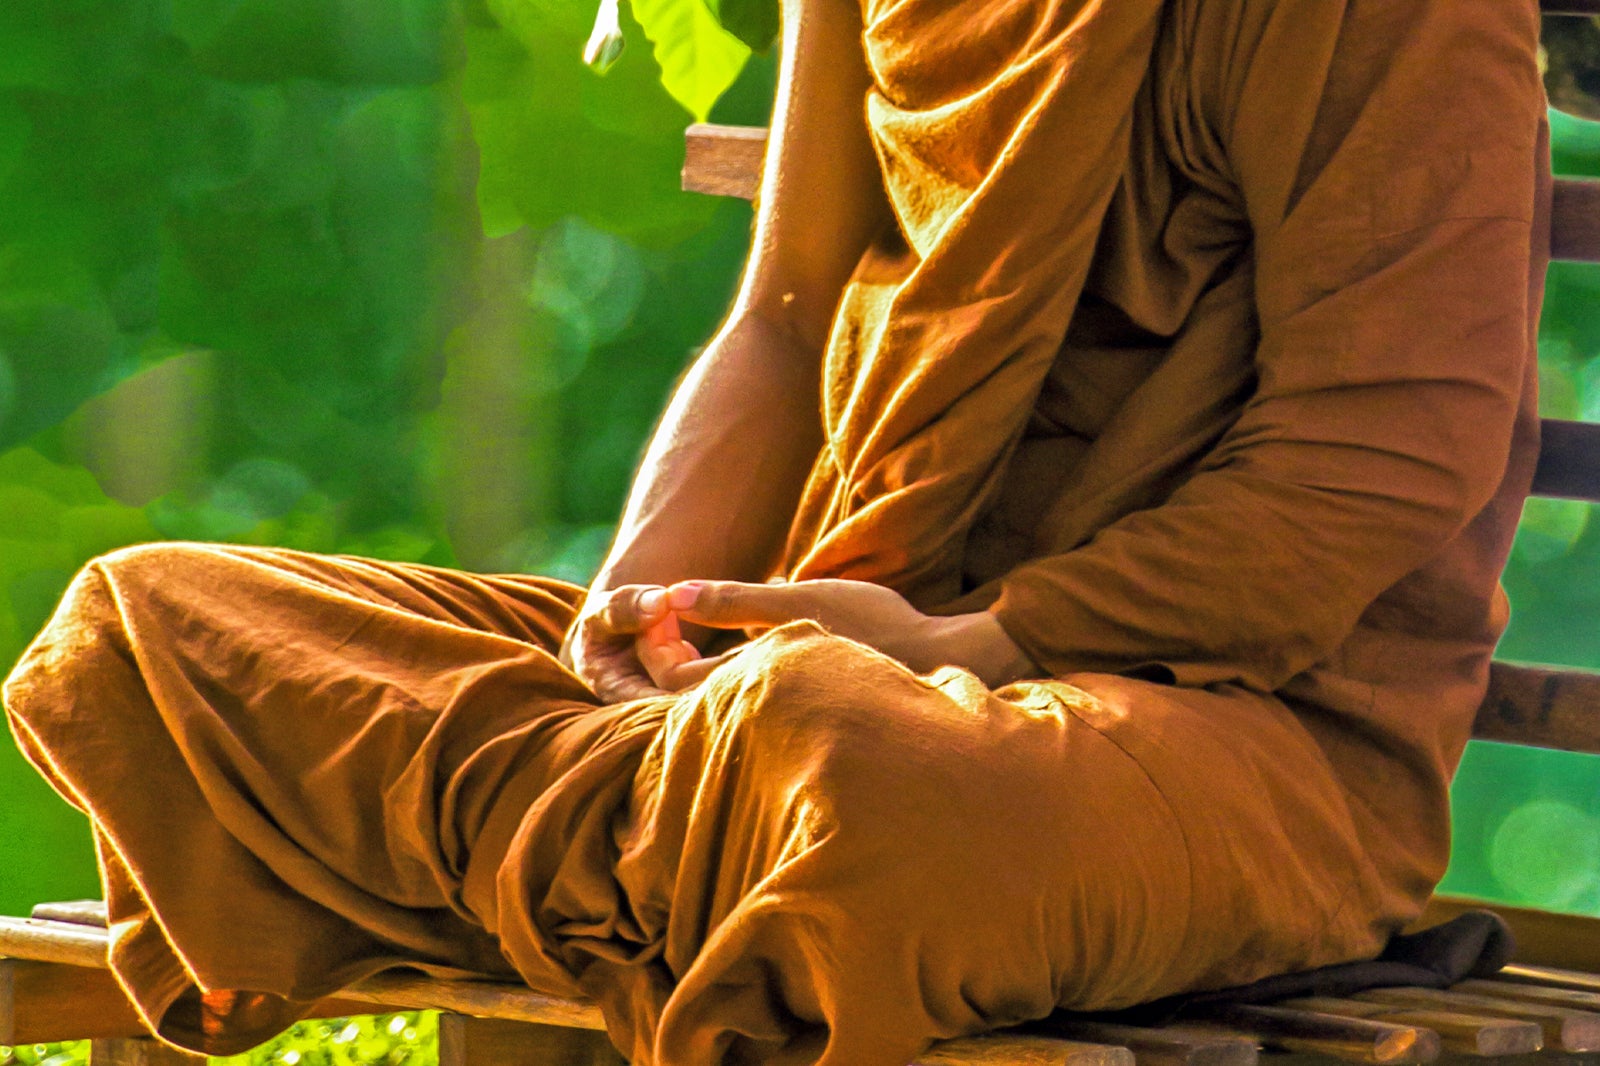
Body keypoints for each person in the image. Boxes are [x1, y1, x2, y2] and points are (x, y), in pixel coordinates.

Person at [2, 0, 1549, 1063]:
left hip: (1215, 737)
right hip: (833, 654)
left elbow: (1382, 451)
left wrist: (972, 646)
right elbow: (786, 318)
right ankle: (664, 813)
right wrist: (609, 635)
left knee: (852, 773)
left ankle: (582, 829)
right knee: (151, 621)